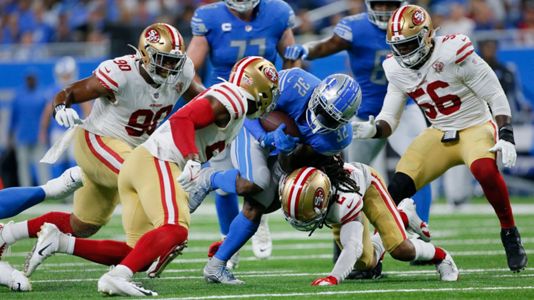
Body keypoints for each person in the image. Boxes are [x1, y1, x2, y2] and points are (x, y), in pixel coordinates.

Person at [24, 56, 280, 297]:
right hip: (157, 160)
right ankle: (118, 277)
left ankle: (59, 242)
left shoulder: (233, 105)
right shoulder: (233, 99)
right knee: (175, 231)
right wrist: (191, 157)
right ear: (259, 89)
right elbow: (183, 119)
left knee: (139, 251)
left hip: (144, 162)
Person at [0, 23, 204, 267]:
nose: (170, 67)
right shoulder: (121, 72)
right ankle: (166, 231)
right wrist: (60, 107)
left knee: (82, 225)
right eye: (164, 59)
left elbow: (203, 102)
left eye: (174, 60)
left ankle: (7, 234)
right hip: (98, 141)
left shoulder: (181, 74)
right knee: (145, 177)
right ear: (146, 53)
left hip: (132, 151)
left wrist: (226, 104)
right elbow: (71, 91)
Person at [352, 5, 528, 272]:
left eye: (409, 44)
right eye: (398, 46)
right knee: (395, 189)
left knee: (485, 170)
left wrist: (506, 134)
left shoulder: (454, 51)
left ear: (425, 36)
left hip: (475, 127)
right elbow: (390, 116)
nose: (403, 53)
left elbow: (494, 94)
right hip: (439, 131)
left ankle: (510, 233)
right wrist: (374, 129)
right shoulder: (395, 67)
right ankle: (376, 253)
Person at [182, 70, 364, 284]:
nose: (322, 119)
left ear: (343, 121)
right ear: (317, 94)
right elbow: (247, 108)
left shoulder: (336, 139)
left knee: (258, 207)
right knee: (253, 183)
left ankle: (216, 267)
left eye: (331, 118)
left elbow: (290, 164)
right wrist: (265, 136)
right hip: (253, 128)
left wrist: (289, 150)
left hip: (287, 147)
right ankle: (207, 179)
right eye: (322, 110)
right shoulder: (295, 83)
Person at [283, 0, 433, 224]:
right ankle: (351, 232)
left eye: (389, 5)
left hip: (404, 109)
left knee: (420, 167)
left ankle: (421, 228)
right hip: (365, 115)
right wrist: (306, 49)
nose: (383, 10)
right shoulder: (355, 27)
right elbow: (328, 45)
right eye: (379, 5)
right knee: (350, 177)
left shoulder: (412, 23)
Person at [187, 0, 299, 260]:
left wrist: (285, 100)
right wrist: (211, 102)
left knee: (261, 174)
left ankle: (257, 218)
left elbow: (291, 63)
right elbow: (190, 71)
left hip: (263, 106)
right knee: (223, 179)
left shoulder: (278, 12)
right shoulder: (209, 17)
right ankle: (229, 241)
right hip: (225, 104)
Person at [279, 162, 458, 286]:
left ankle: (442, 256)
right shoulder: (306, 179)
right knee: (365, 263)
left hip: (368, 185)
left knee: (400, 249)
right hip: (338, 194)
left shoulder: (344, 203)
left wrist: (333, 277)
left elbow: (353, 246)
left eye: (305, 212)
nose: (302, 218)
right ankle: (402, 216)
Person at [39, 56, 92, 178]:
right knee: (58, 162)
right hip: (58, 130)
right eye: (64, 75)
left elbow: (87, 108)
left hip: (75, 129)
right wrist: (43, 130)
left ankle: (73, 191)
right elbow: (47, 112)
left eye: (67, 75)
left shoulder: (78, 88)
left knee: (75, 160)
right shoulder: (55, 90)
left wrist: (88, 127)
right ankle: (61, 193)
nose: (65, 78)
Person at [9, 70, 50, 186]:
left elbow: (47, 118)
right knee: (23, 166)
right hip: (22, 137)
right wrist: (10, 136)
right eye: (29, 79)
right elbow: (13, 118)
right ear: (26, 80)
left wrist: (46, 134)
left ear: (36, 80)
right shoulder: (19, 96)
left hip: (38, 136)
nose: (31, 81)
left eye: (32, 79)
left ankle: (45, 190)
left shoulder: (42, 95)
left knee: (42, 165)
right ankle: (25, 191)